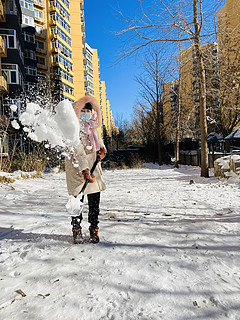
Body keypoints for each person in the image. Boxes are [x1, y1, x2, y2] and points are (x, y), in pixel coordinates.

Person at [65, 96, 106, 243]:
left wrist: (103, 150)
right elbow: (77, 149)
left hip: (93, 167)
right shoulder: (72, 128)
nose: (85, 113)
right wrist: (84, 170)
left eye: (88, 110)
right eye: (82, 110)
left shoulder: (92, 125)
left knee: (94, 203)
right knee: (77, 202)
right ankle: (76, 230)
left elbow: (99, 141)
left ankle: (94, 229)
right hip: (77, 169)